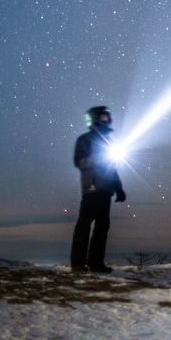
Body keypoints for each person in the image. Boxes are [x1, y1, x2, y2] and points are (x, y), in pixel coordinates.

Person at [70, 105, 126, 272]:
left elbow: (112, 168)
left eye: (107, 117)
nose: (107, 120)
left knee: (102, 226)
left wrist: (119, 188)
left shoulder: (108, 141)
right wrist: (97, 158)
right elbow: (79, 161)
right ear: (95, 118)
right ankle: (78, 263)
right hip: (91, 188)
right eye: (103, 117)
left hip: (105, 191)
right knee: (84, 225)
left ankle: (96, 263)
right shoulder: (84, 140)